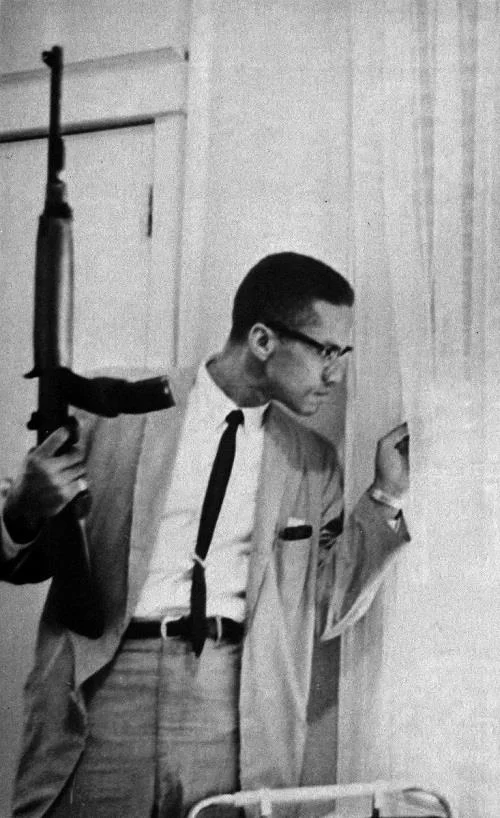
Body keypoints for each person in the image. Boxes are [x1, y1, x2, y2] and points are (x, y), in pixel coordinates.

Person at [0, 252, 409, 818]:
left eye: (343, 355)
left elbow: (324, 607)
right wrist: (23, 510)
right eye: (326, 351)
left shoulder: (313, 463)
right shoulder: (116, 410)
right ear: (262, 340)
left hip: (232, 704)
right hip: (104, 689)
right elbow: (21, 561)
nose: (335, 375)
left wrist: (386, 495)